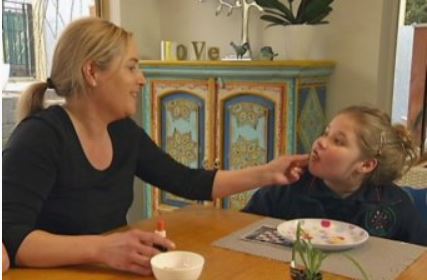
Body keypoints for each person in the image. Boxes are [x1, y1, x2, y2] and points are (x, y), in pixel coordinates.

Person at [2, 17, 308, 276]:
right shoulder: (39, 138)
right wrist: (102, 248)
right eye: (132, 67)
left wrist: (268, 173)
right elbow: (13, 238)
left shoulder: (124, 133)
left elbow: (188, 182)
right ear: (92, 72)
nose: (142, 80)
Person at [243, 105, 427, 246]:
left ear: (366, 164)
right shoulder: (287, 186)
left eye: (338, 141)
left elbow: (418, 261)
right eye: (325, 133)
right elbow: (243, 231)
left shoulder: (395, 205)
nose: (321, 142)